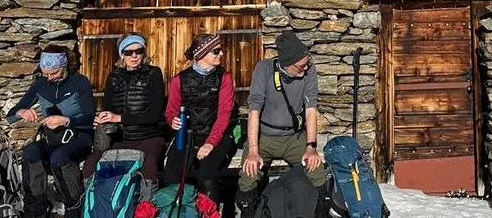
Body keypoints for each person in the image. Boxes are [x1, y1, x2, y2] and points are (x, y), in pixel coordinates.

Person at [236, 30, 329, 218]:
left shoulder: (309, 70)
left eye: (307, 63)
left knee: (318, 174)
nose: (305, 68)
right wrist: (253, 150)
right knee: (248, 177)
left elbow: (311, 109)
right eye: (300, 66)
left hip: (294, 138)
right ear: (286, 64)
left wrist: (311, 147)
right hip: (265, 138)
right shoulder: (264, 69)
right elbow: (254, 110)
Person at [7, 45, 94, 218]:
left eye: (53, 73)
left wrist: (66, 121)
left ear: (64, 66)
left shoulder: (80, 82)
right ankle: (35, 209)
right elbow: (11, 115)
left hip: (79, 138)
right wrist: (21, 112)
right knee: (31, 151)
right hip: (52, 138)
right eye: (45, 73)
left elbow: (90, 118)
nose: (49, 77)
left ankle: (73, 207)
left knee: (59, 157)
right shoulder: (41, 84)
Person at [82, 34, 166, 192]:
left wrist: (119, 117)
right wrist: (102, 119)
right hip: (120, 137)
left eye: (139, 51)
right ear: (122, 55)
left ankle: (146, 209)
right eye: (128, 52)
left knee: (148, 166)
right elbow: (109, 110)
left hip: (148, 136)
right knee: (91, 165)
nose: (134, 56)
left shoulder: (153, 74)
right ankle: (96, 206)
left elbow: (155, 114)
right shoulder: (114, 77)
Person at [163, 33, 238, 201]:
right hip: (187, 135)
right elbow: (171, 110)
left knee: (207, 175)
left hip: (216, 135)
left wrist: (210, 143)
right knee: (173, 176)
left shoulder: (224, 78)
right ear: (201, 53)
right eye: (216, 51)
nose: (221, 54)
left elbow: (224, 114)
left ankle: (209, 211)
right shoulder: (179, 80)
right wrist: (172, 120)